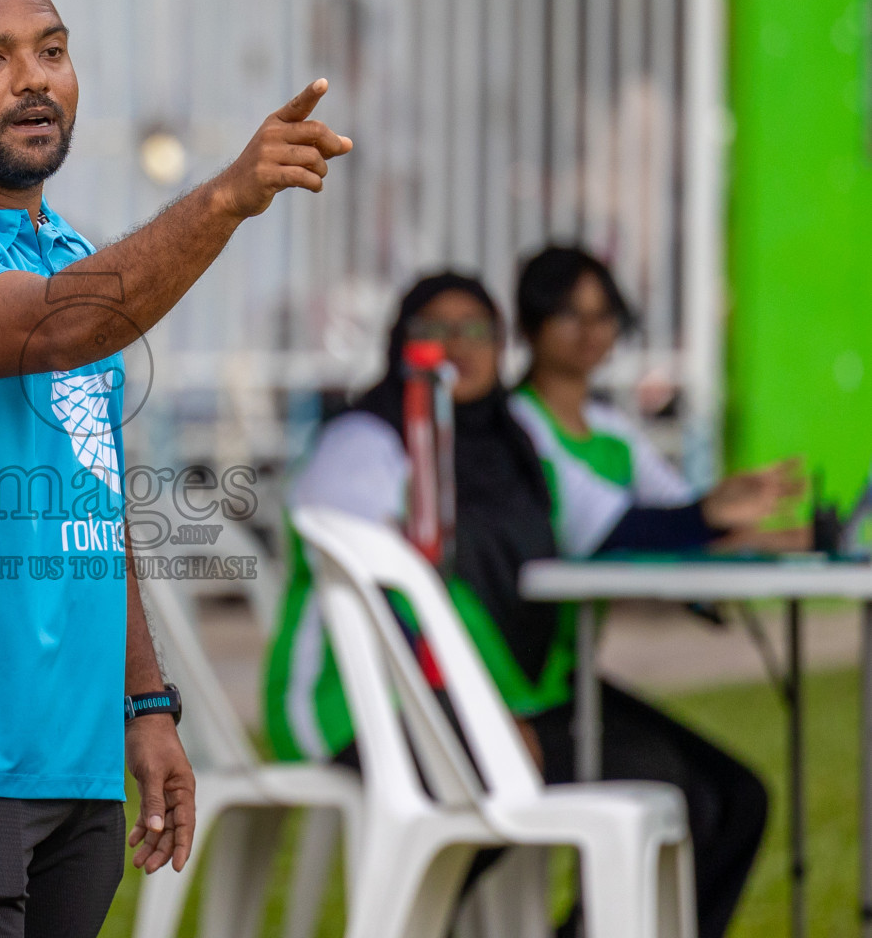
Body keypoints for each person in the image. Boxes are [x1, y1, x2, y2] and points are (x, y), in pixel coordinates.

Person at [0, 0, 353, 938]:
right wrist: (223, 198)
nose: (34, 80)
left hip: (71, 763)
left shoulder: (68, 254)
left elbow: (90, 503)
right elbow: (51, 328)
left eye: (51, 52)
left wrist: (145, 704)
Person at [266, 272, 775, 938]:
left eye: (476, 329)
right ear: (399, 345)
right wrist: (471, 713)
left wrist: (709, 513)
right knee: (627, 782)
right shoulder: (368, 440)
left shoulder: (520, 443)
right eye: (434, 330)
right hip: (363, 708)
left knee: (731, 798)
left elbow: (615, 524)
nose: (457, 345)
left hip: (506, 698)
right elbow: (366, 592)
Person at [511, 244, 803, 557]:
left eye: (602, 315)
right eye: (569, 314)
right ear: (530, 324)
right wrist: (708, 512)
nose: (589, 331)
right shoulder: (517, 423)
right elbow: (608, 529)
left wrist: (767, 533)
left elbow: (676, 513)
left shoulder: (610, 429)